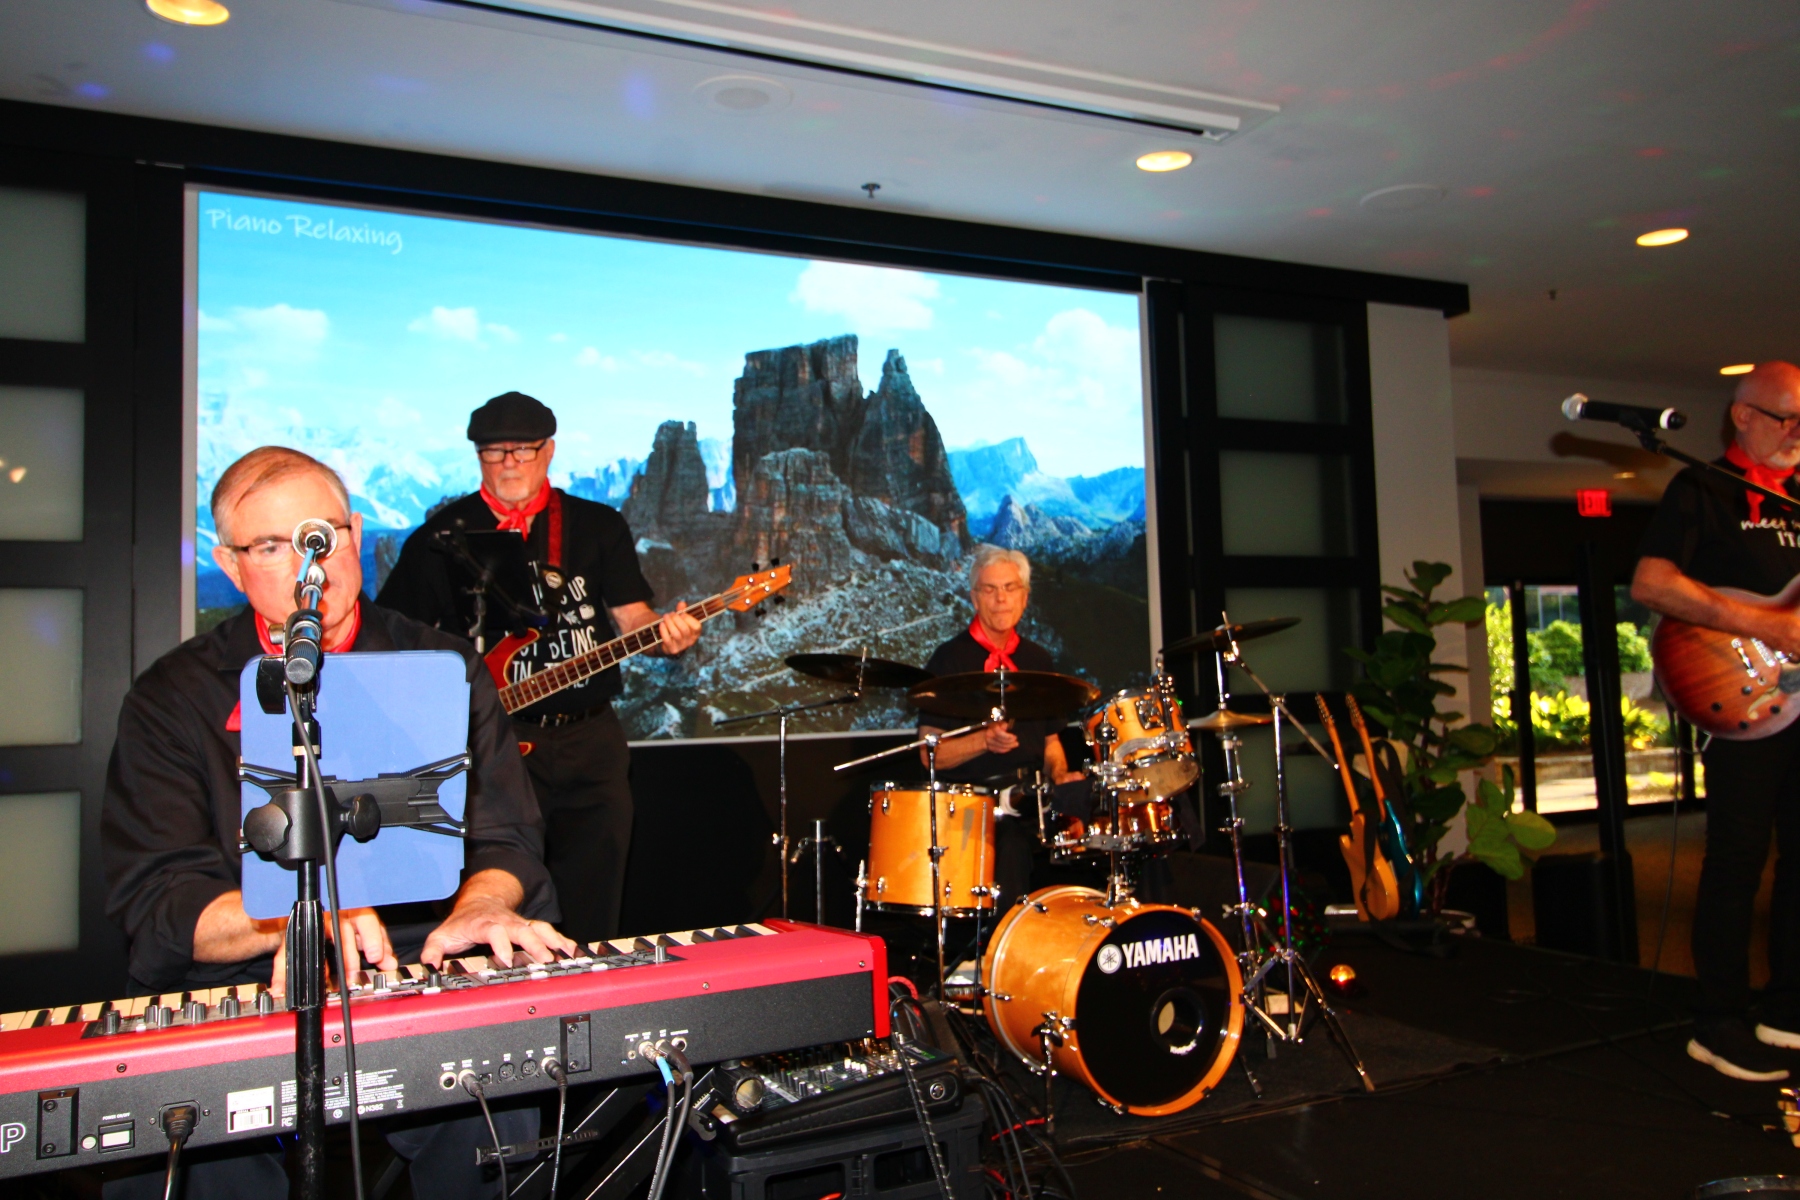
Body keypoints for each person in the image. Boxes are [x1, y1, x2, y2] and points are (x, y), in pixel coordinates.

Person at [101, 446, 575, 1197]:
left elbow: (505, 837)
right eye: (271, 546)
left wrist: (483, 903)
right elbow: (159, 900)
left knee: (493, 1122)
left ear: (355, 533)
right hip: (242, 982)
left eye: (322, 537)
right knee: (196, 1160)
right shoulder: (171, 697)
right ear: (230, 565)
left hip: (414, 963)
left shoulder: (444, 667)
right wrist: (301, 917)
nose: (307, 567)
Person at [377, 392, 701, 942]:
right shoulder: (440, 539)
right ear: (478, 456)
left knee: (597, 892)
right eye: (494, 451)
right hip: (491, 745)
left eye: (523, 450)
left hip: (589, 741)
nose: (509, 463)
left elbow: (633, 618)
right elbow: (390, 640)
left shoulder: (596, 525)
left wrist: (669, 636)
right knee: (497, 893)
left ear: (548, 450)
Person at [1633, 360, 1800, 1081]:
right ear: (1743, 416)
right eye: (1786, 418)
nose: (1797, 433)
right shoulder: (1702, 488)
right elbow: (1652, 583)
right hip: (1740, 697)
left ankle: (1788, 1009)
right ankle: (1718, 1020)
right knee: (1737, 858)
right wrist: (1767, 624)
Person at [916, 545, 1083, 906]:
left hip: (1033, 802)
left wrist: (1060, 776)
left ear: (1025, 597)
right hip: (973, 809)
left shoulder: (1038, 660)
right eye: (990, 589)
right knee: (1011, 848)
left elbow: (1051, 742)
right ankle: (1002, 940)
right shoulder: (949, 660)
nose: (1001, 599)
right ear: (974, 598)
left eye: (1010, 588)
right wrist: (984, 742)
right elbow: (930, 755)